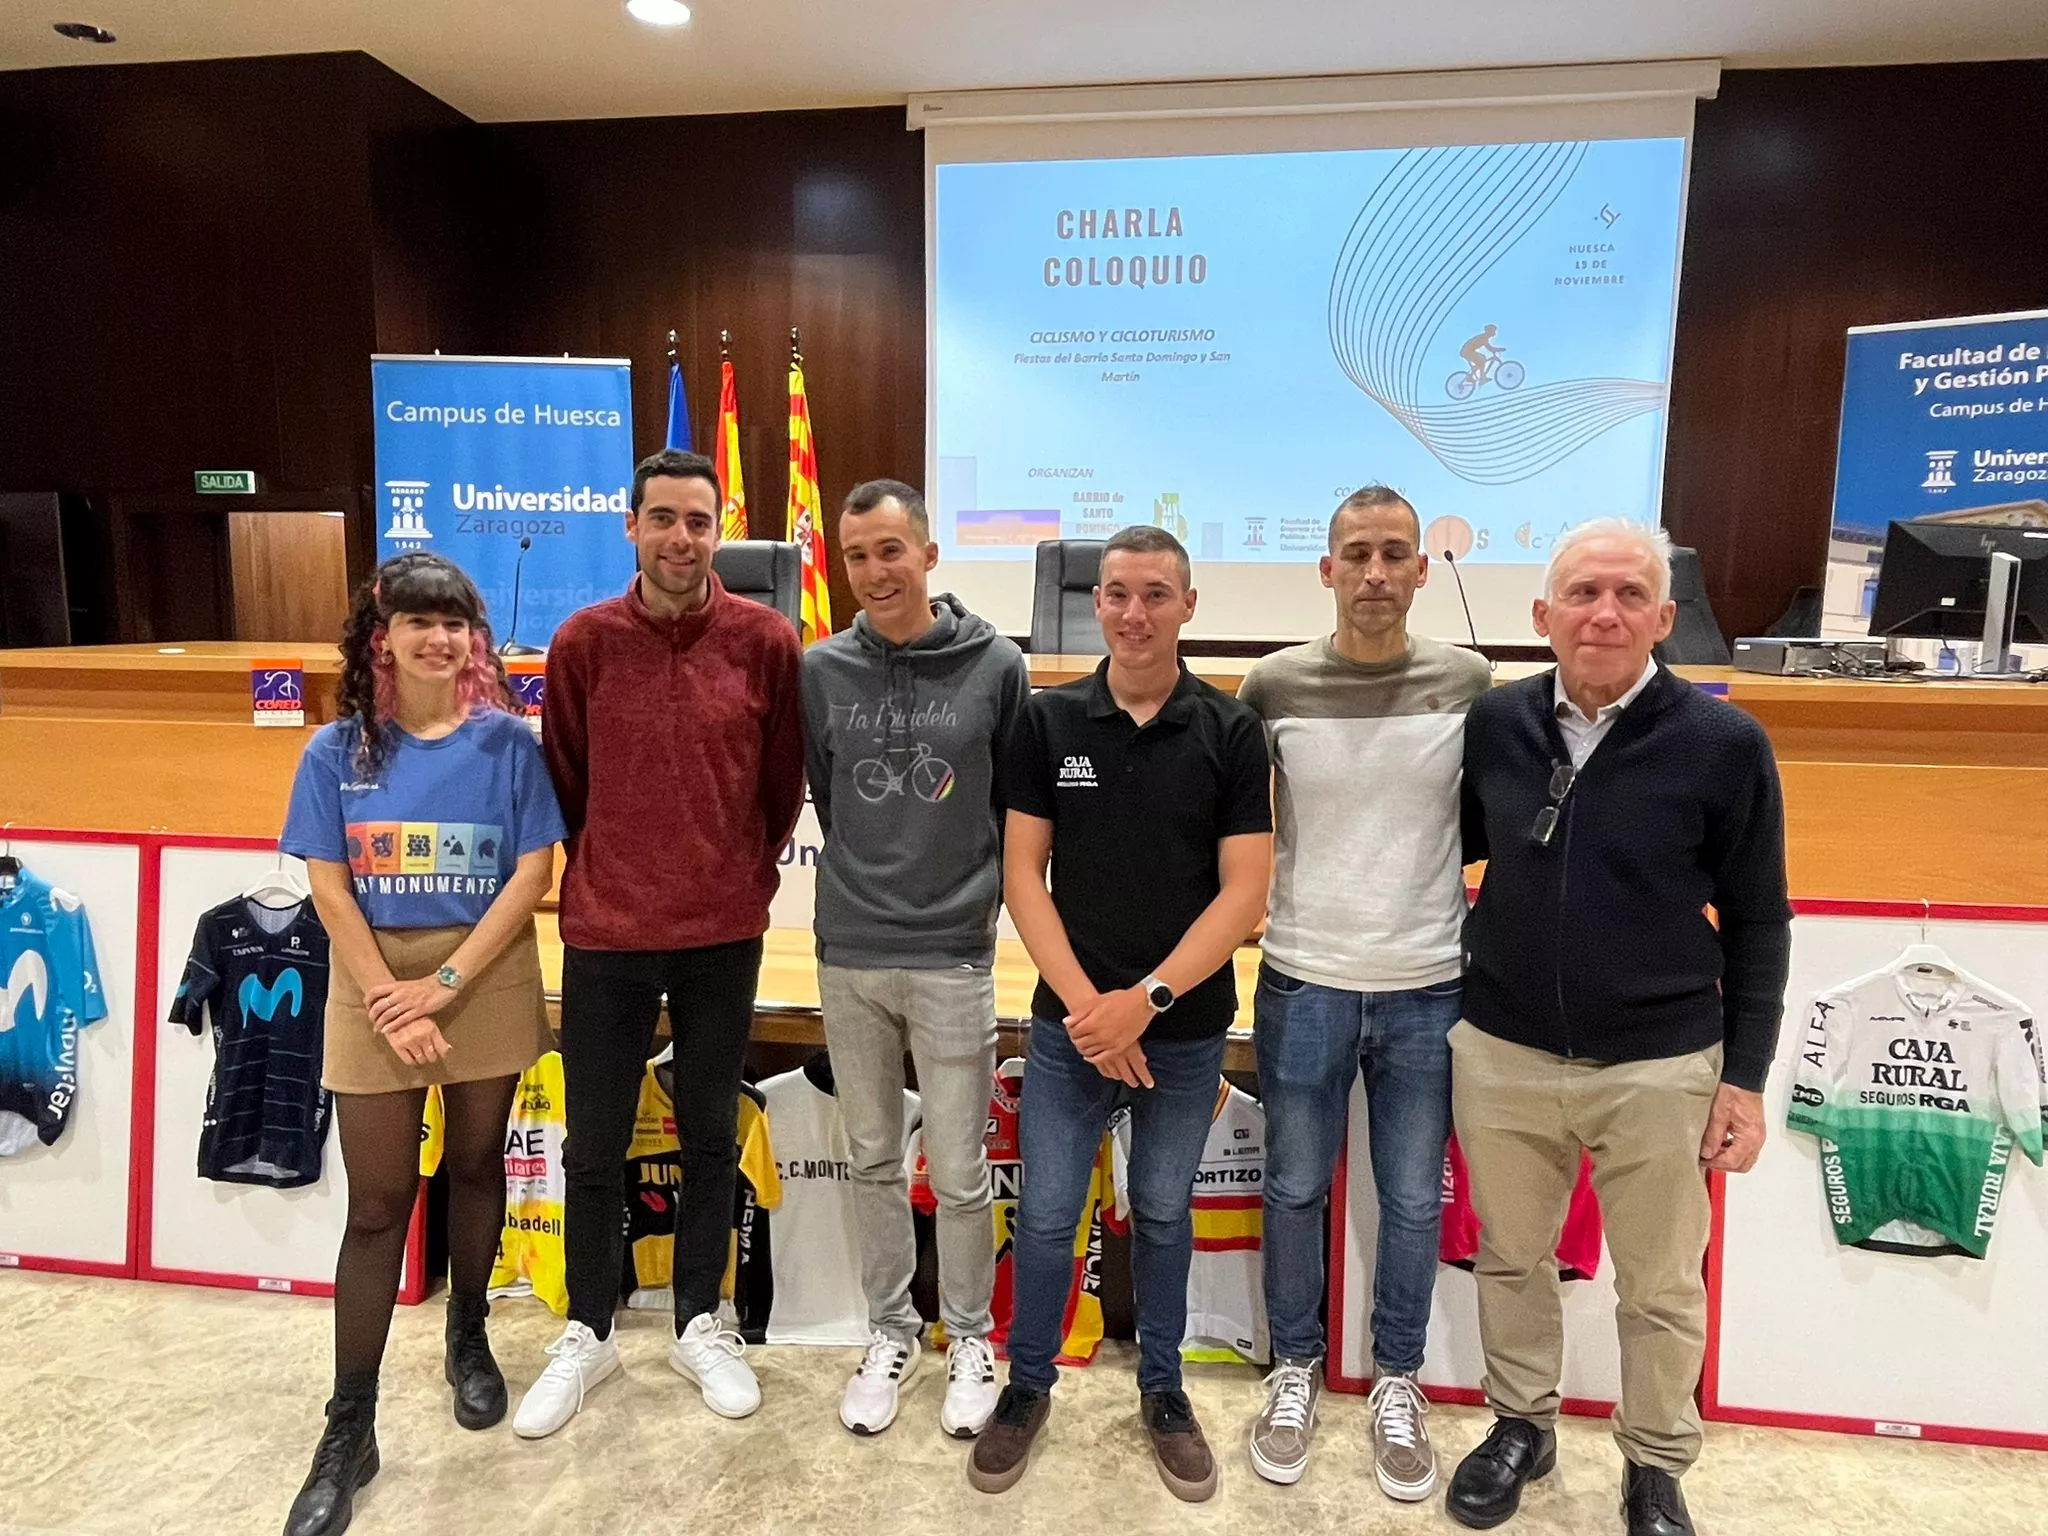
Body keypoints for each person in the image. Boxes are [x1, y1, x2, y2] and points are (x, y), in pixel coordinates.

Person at [1448, 518, 1790, 1536]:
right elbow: (1447, 857)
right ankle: (1521, 1423)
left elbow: (1758, 917)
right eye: (1583, 593)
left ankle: (1652, 1464)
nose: (1604, 613)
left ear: (1665, 618)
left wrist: (1745, 1076)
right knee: (1511, 1257)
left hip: (1660, 1060)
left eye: (1628, 594)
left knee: (1657, 1285)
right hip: (1503, 1048)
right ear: (1541, 615)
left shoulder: (1722, 744)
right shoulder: (1494, 724)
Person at [969, 525, 1273, 1502]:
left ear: (1188, 606)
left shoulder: (1229, 731)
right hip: (1068, 1033)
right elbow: (1022, 874)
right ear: (1092, 603)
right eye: (1114, 594)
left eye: (1154, 594)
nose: (1132, 613)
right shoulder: (1046, 722)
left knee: (1163, 1212)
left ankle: (1163, 1390)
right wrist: (1087, 1012)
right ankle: (1024, 1388)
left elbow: (1243, 896)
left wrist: (1140, 1005)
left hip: (1179, 1033)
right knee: (1050, 1216)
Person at [514, 448, 804, 1438]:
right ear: (630, 526)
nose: (682, 538)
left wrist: (729, 870)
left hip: (723, 931)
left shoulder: (766, 640)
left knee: (710, 1139)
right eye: (664, 519)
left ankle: (697, 1320)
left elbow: (777, 790)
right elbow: (565, 779)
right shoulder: (582, 642)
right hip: (607, 929)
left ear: (716, 532)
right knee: (592, 1146)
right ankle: (587, 1329)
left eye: (699, 521)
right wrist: (621, 867)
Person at [278, 552, 565, 1536]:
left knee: (479, 1164)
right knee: (379, 1205)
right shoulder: (333, 753)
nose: (439, 639)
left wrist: (440, 987)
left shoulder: (508, 746)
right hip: (373, 985)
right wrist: (386, 996)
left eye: (455, 623)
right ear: (382, 638)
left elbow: (533, 872)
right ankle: (347, 1424)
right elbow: (326, 884)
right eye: (419, 622)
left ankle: (469, 1333)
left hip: (479, 976)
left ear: (472, 639)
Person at [1236, 486, 1490, 1497]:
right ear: (1325, 568)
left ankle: (1396, 1378)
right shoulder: (1272, 686)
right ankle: (1291, 1366)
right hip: (1301, 977)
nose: (1375, 574)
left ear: (1421, 570)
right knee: (1293, 1187)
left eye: (1394, 555)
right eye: (1357, 554)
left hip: (1429, 984)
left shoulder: (1468, 680)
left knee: (1409, 1205)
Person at [802, 478, 1029, 1437]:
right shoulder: (819, 669)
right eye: (856, 556)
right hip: (849, 951)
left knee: (964, 1165)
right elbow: (828, 791)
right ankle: (891, 1331)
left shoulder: (996, 664)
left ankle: (970, 1336)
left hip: (951, 952)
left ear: (930, 556)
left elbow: (1011, 805)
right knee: (870, 1160)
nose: (873, 572)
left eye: (890, 551)